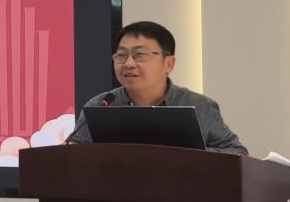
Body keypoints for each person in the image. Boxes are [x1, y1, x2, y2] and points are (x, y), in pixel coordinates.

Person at [70, 21, 248, 155]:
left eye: (140, 55)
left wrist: (188, 155)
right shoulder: (102, 104)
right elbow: (73, 153)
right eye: (121, 55)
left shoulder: (199, 105)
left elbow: (237, 153)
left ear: (169, 63)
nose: (128, 64)